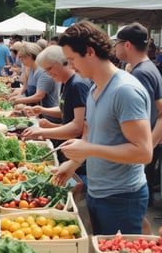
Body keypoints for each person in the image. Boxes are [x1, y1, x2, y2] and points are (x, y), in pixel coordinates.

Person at [53, 21, 153, 235]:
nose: (71, 66)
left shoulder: (124, 91)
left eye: (72, 59)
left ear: (89, 52)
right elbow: (91, 135)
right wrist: (74, 163)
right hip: (99, 192)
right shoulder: (94, 88)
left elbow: (144, 152)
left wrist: (88, 150)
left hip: (122, 196)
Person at [114, 22, 162, 234]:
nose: (114, 48)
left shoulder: (140, 74)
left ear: (127, 45)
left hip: (138, 149)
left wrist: (147, 147)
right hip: (145, 146)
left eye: (117, 44)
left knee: (133, 213)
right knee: (137, 214)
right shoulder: (149, 67)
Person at [21, 45, 91, 182]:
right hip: (70, 149)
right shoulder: (68, 83)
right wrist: (42, 110)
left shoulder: (77, 85)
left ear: (60, 63)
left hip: (80, 158)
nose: (47, 73)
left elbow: (78, 127)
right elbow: (65, 109)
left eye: (49, 69)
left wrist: (42, 131)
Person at [9, 42, 61, 123]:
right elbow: (26, 88)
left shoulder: (42, 72)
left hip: (49, 116)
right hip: (38, 113)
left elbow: (39, 96)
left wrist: (18, 100)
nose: (21, 61)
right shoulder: (31, 69)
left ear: (29, 57)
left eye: (22, 58)